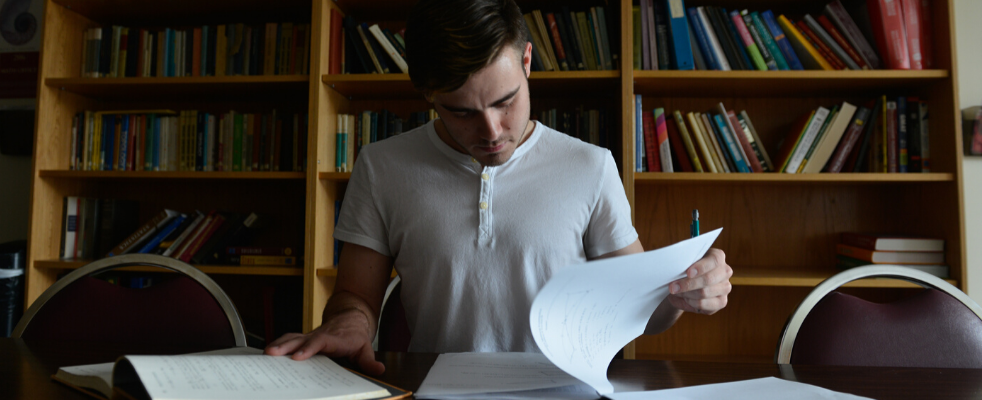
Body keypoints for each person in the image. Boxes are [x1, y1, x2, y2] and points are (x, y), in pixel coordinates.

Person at [265, 0, 732, 375]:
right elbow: (356, 296)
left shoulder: (591, 166)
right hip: (435, 389)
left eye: (505, 101)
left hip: (563, 391)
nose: (490, 131)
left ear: (527, 61)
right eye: (461, 111)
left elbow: (641, 311)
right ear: (429, 95)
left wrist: (681, 295)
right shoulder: (381, 167)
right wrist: (349, 321)